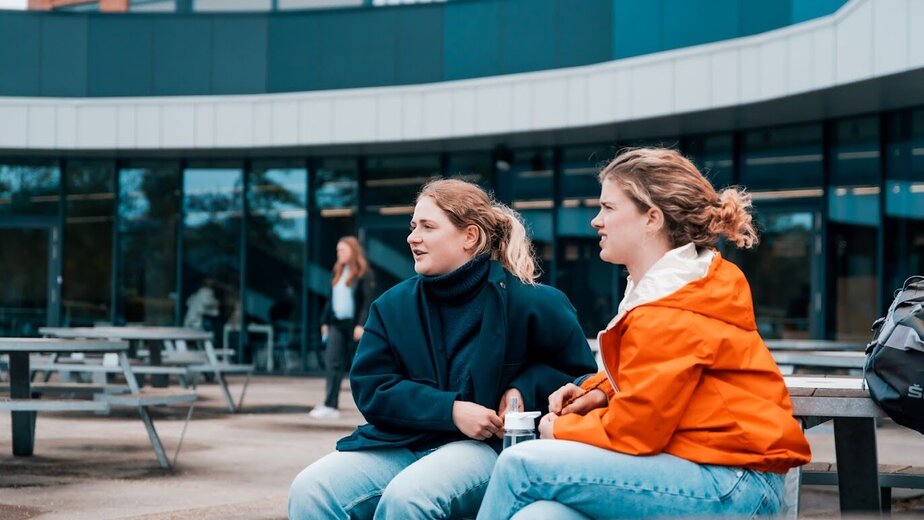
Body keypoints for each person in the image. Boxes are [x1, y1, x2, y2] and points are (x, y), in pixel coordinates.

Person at [477, 148, 812, 519]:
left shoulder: (672, 307)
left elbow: (636, 431)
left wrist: (562, 428)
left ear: (652, 218)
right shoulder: (680, 285)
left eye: (608, 208)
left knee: (520, 463)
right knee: (540, 515)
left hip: (732, 486)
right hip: (707, 468)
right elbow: (659, 378)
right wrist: (596, 391)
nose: (596, 221)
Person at [288, 179, 597, 520]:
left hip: (486, 448)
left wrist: (522, 388)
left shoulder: (536, 302)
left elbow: (579, 377)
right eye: (413, 226)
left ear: (470, 237)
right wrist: (451, 411)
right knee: (309, 489)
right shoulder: (391, 306)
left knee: (408, 498)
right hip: (403, 441)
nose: (412, 236)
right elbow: (371, 387)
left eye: (427, 226)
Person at [309, 236, 376, 420]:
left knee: (362, 366)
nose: (339, 254)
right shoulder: (337, 271)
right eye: (338, 250)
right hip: (337, 324)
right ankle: (330, 405)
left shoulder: (364, 273)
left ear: (353, 252)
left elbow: (367, 302)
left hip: (354, 326)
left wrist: (361, 324)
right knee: (332, 362)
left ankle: (372, 409)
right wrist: (324, 322)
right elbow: (331, 301)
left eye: (343, 250)